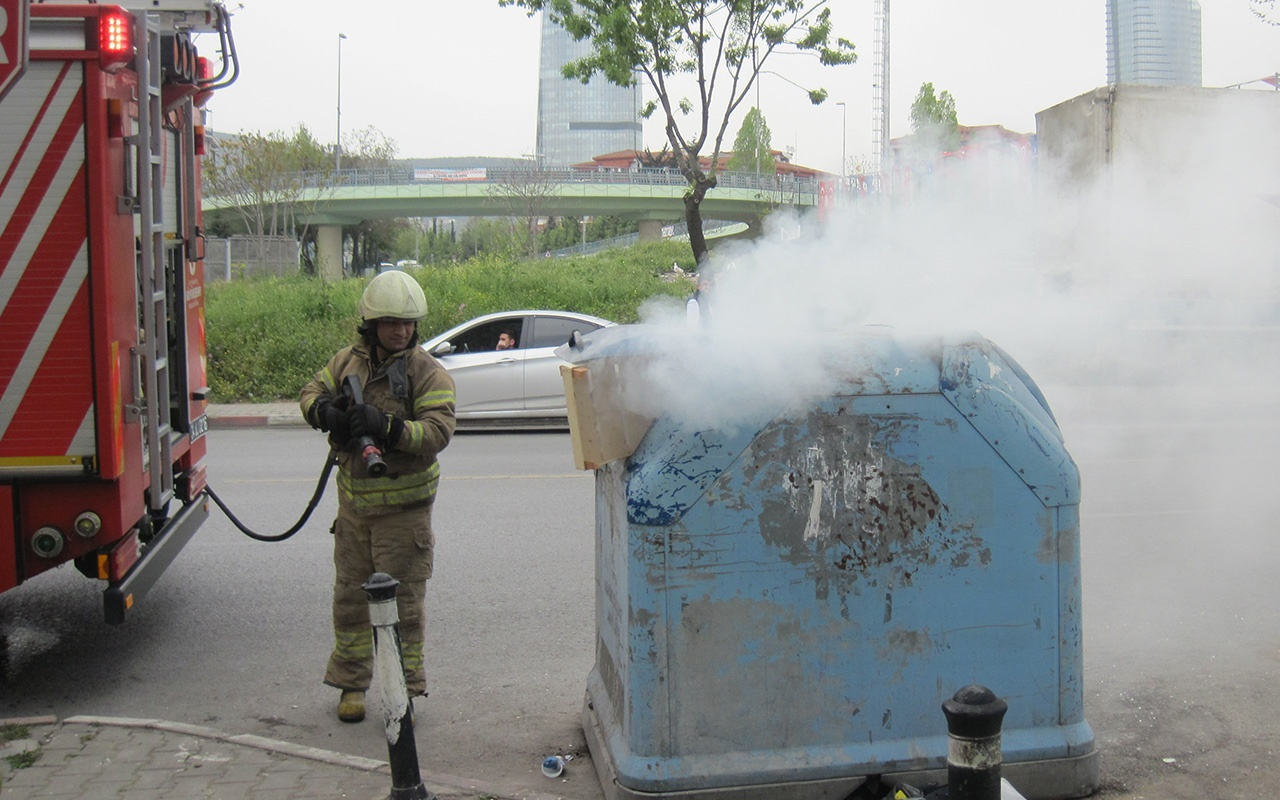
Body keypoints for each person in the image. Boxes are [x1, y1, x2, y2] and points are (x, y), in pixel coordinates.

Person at [298, 270, 457, 723]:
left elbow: (438, 432)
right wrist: (326, 412)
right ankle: (351, 685)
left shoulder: (427, 372)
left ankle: (402, 693)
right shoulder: (347, 362)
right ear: (371, 324)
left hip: (403, 519)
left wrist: (386, 427)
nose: (400, 330)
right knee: (349, 602)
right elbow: (310, 391)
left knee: (403, 609)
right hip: (353, 513)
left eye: (407, 322)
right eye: (390, 322)